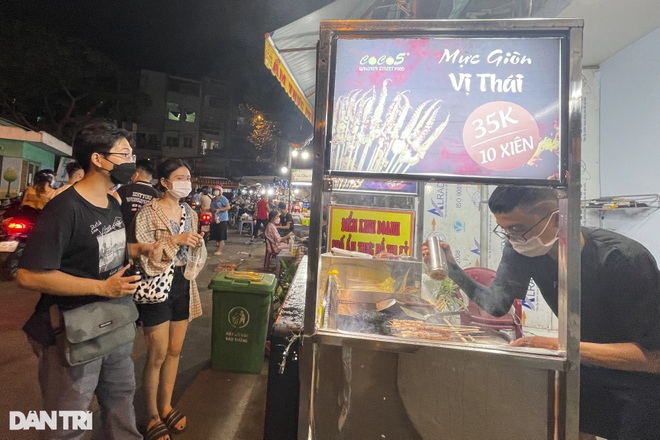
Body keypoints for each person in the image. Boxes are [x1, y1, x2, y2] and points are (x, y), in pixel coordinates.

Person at [428, 186, 660, 440]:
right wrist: (452, 270)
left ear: (557, 217)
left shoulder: (624, 259)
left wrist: (552, 345)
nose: (512, 238)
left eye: (517, 228)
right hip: (586, 369)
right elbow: (496, 305)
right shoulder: (522, 250)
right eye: (504, 230)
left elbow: (652, 359)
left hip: (638, 383)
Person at [16, 120, 161, 440]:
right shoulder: (64, 208)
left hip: (115, 323)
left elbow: (106, 247)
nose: (131, 161)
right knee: (68, 419)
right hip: (71, 331)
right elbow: (28, 275)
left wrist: (141, 249)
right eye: (124, 153)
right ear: (98, 158)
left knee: (121, 401)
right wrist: (101, 287)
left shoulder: (113, 203)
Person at [133, 158, 204, 440]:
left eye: (188, 177)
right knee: (157, 354)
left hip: (183, 284)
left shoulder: (190, 212)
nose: (186, 182)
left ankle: (165, 405)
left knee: (175, 350)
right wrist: (176, 240)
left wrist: (196, 247)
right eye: (180, 177)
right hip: (155, 286)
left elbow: (193, 252)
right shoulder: (148, 212)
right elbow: (142, 256)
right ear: (164, 182)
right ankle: (151, 415)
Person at [115, 158, 160, 230]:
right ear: (151, 177)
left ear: (135, 174)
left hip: (124, 235)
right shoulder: (157, 195)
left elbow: (113, 211)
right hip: (146, 238)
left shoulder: (123, 190)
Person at [209, 185, 230, 255]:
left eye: (217, 190)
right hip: (215, 219)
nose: (215, 192)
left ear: (220, 191)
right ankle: (219, 245)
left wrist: (220, 210)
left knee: (221, 235)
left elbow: (228, 207)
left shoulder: (223, 199)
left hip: (222, 219)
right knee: (216, 234)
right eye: (214, 190)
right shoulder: (213, 199)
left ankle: (219, 250)